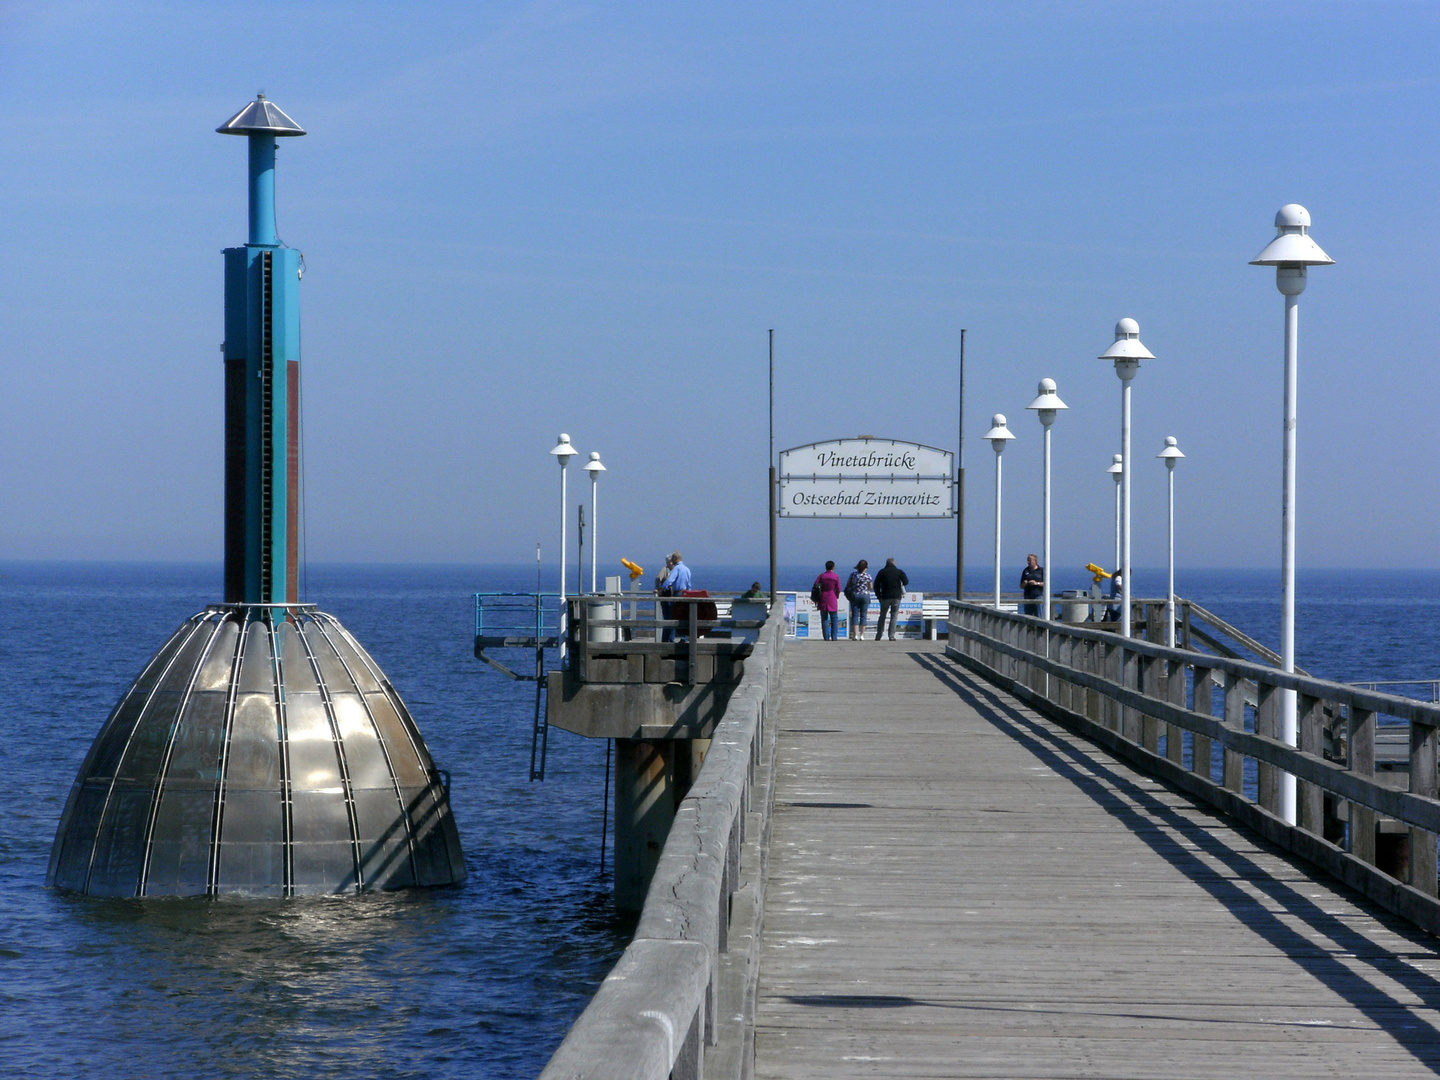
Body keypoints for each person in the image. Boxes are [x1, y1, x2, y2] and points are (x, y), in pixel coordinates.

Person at [872, 557, 909, 641]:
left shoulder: (882, 572)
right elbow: (906, 582)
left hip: (885, 597)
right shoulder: (899, 572)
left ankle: (879, 635)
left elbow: (876, 585)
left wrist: (878, 596)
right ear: (894, 563)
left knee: (882, 616)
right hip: (896, 597)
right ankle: (891, 636)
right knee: (894, 616)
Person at [812, 561, 843, 640]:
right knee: (834, 618)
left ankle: (826, 637)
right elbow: (839, 588)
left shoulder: (822, 576)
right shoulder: (836, 576)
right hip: (832, 596)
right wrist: (836, 595)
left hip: (823, 597)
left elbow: (815, 585)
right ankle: (834, 637)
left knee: (824, 618)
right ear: (833, 567)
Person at [845, 559, 873, 643]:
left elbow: (848, 584)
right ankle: (862, 635)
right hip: (865, 595)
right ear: (865, 567)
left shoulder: (853, 575)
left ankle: (855, 635)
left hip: (855, 595)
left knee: (855, 614)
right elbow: (871, 587)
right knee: (864, 614)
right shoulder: (868, 576)